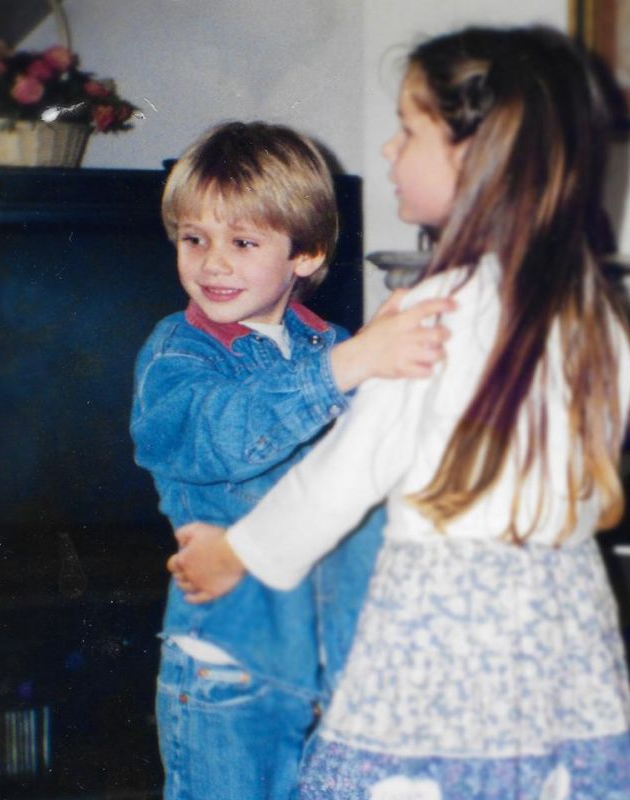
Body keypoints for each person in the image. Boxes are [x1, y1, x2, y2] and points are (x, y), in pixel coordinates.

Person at [170, 28, 630, 799]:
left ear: (476, 155)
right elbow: (593, 477)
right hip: (561, 629)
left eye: (408, 129)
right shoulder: (591, 309)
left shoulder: (436, 309)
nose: (390, 150)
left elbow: (347, 469)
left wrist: (237, 553)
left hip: (441, 638)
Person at [130, 120, 453, 800]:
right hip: (229, 660)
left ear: (305, 254)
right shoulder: (178, 351)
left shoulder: (328, 345)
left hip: (331, 658)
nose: (213, 263)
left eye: (242, 242)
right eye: (194, 239)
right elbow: (218, 433)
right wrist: (351, 365)